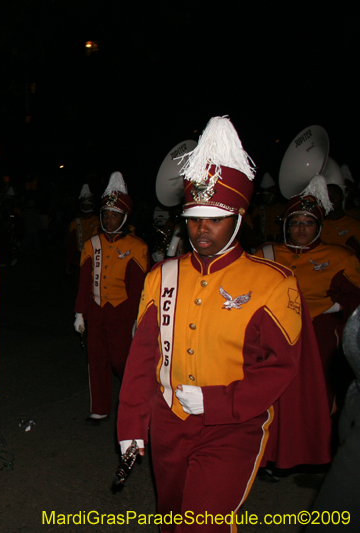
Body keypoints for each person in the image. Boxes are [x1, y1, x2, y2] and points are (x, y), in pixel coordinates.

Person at [117, 117, 331, 532]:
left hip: (234, 425)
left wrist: (219, 402)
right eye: (194, 217)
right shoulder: (162, 275)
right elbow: (144, 355)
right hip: (168, 419)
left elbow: (281, 365)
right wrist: (131, 424)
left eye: (215, 218)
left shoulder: (272, 282)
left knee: (205, 524)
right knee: (172, 518)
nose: (201, 229)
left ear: (238, 217)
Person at [254, 176, 360, 410]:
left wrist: (332, 307)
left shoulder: (340, 256)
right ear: (286, 226)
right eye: (295, 223)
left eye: (308, 222)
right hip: (273, 330)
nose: (301, 229)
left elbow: (355, 300)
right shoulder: (266, 253)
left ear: (318, 226)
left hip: (318, 331)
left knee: (318, 389)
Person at [74, 172, 148, 423]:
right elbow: (84, 282)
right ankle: (101, 407)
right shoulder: (91, 244)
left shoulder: (137, 247)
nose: (108, 219)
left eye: (114, 215)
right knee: (96, 360)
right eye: (105, 214)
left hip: (122, 311)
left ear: (124, 217)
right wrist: (79, 312)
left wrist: (139, 318)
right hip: (96, 309)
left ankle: (135, 405)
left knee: (122, 361)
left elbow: (139, 288)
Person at [66, 184, 100, 275]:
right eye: (84, 205)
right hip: (79, 258)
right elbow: (71, 244)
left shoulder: (98, 221)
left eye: (88, 205)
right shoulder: (75, 222)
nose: (86, 207)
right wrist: (69, 261)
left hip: (95, 257)